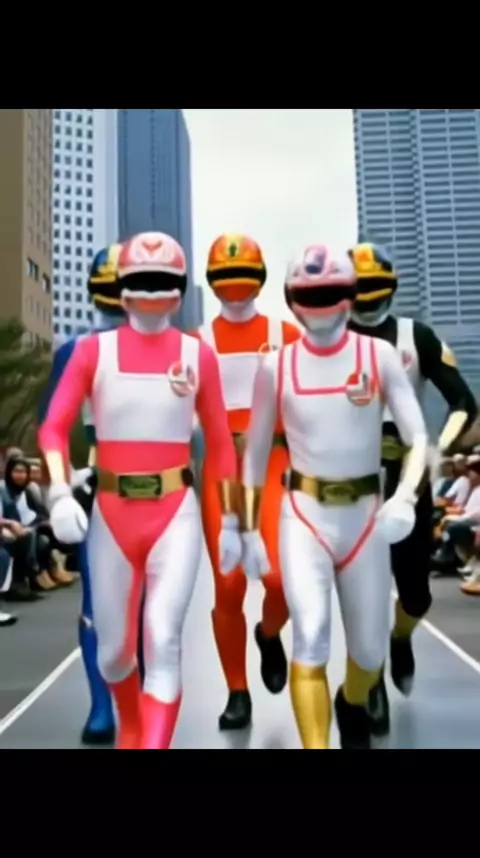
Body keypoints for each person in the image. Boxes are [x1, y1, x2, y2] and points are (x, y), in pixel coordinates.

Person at [38, 231, 240, 751]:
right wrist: (58, 491)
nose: (152, 292)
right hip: (111, 515)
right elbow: (53, 428)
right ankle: (130, 725)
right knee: (113, 654)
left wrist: (232, 519)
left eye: (162, 281)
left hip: (175, 512)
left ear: (180, 288)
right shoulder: (91, 352)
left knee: (163, 637)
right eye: (142, 280)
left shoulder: (199, 355)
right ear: (121, 288)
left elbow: (221, 445)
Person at [241, 244, 428, 750]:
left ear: (350, 295)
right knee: (311, 636)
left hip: (367, 518)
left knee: (369, 653)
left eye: (330, 292)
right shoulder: (275, 366)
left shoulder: (378, 356)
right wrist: (248, 527)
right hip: (304, 516)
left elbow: (416, 436)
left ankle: (352, 702)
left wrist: (406, 495)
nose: (321, 305)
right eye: (310, 294)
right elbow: (254, 454)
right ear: (292, 299)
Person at [348, 241, 477, 737]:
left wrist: (438, 448)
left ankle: (401, 636)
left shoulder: (415, 336)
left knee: (416, 593)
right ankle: (371, 682)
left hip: (409, 471)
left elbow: (463, 400)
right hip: (350, 476)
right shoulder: (331, 341)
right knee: (365, 589)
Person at [196, 234, 301, 731]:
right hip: (221, 468)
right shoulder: (195, 341)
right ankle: (237, 690)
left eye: (242, 277)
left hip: (276, 463)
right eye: (223, 278)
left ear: (260, 279)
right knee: (228, 583)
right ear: (211, 282)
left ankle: (269, 632)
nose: (233, 287)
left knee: (281, 579)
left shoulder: (287, 334)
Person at [38, 243, 126, 746]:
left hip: (163, 488)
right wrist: (60, 487)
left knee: (151, 607)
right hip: (103, 483)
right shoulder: (78, 350)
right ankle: (100, 704)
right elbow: (51, 425)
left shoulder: (175, 348)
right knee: (98, 601)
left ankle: (142, 700)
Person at [0, 455, 62, 598]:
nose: (20, 476)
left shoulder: (24, 492)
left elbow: (30, 516)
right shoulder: (2, 490)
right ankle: (19, 582)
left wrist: (44, 523)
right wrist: (10, 524)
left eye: (23, 472)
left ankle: (38, 575)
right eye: (16, 471)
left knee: (43, 539)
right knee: (27, 536)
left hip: (17, 530)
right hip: (4, 533)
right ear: (9, 472)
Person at [440, 455, 480, 594]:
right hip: (472, 524)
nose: (470, 474)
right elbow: (468, 511)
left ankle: (447, 557)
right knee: (445, 522)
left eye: (473, 471)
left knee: (454, 527)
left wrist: (457, 518)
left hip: (474, 526)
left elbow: (475, 515)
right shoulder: (475, 490)